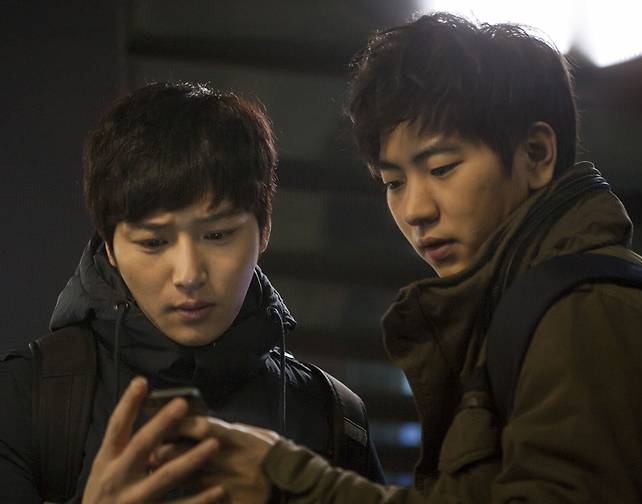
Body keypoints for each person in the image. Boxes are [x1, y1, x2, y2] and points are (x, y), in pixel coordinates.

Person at [131, 12, 642, 504]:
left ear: (536, 155)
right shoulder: (523, 309)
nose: (414, 209)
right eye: (394, 182)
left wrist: (296, 484)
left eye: (442, 168)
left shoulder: (588, 311)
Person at [0, 82, 384, 503]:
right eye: (153, 242)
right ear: (108, 247)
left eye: (217, 234)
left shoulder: (333, 416)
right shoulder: (24, 400)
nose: (188, 275)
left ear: (264, 230)